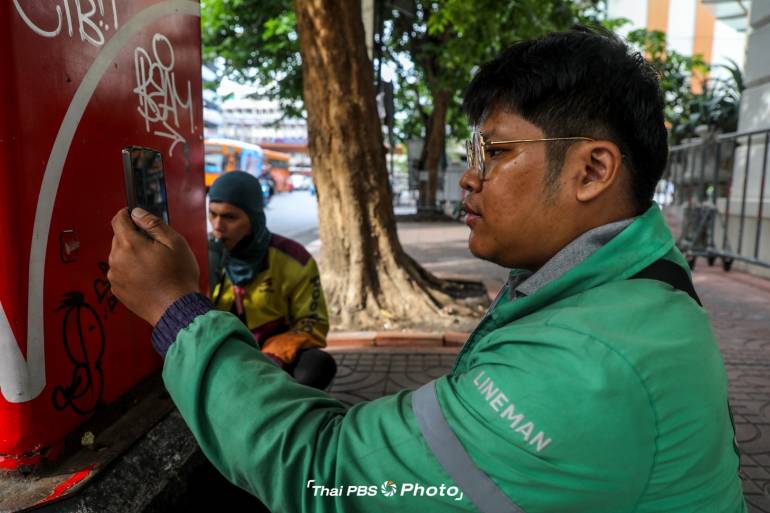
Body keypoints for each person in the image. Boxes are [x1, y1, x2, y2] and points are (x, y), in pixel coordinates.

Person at [108, 27, 747, 513]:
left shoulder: (586, 368)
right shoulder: (637, 282)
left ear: (593, 170)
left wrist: (175, 310)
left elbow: (325, 471)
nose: (469, 176)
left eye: (495, 151)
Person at [205, 170, 336, 389]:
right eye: (212, 214)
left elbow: (313, 323)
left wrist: (275, 354)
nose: (217, 226)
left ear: (253, 219)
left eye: (230, 217)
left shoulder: (293, 258)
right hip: (223, 357)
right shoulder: (201, 256)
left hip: (274, 358)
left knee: (318, 365)